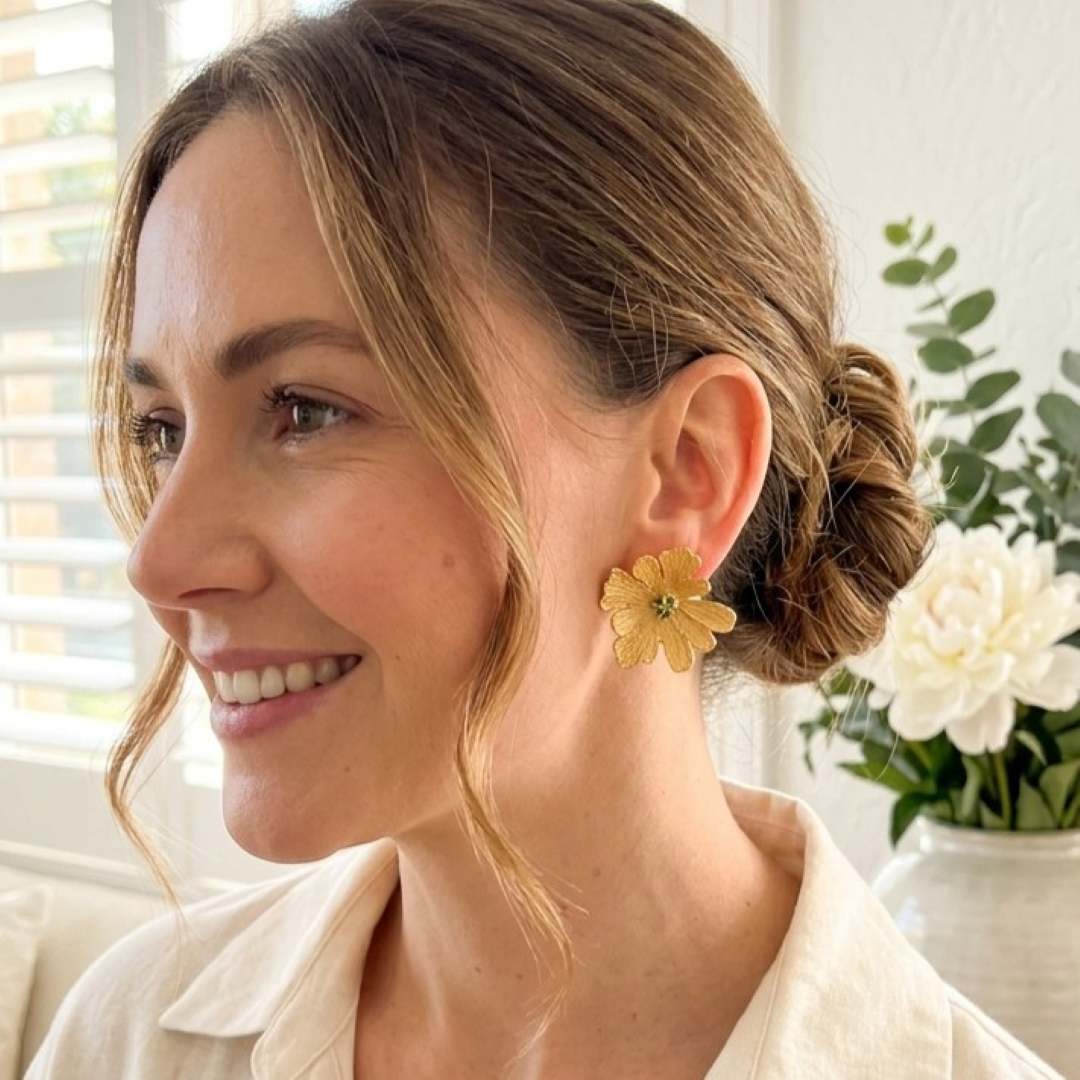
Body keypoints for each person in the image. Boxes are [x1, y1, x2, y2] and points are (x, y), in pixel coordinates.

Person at [24, 1, 1063, 1077]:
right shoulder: (125, 1040)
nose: (160, 563)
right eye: (162, 431)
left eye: (306, 409)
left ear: (689, 470)